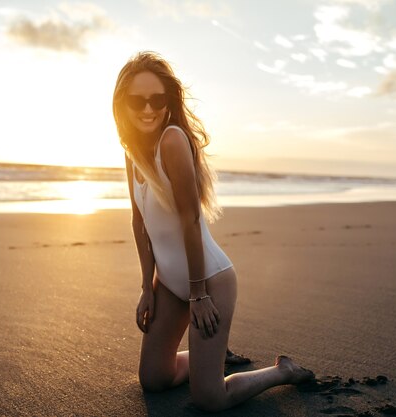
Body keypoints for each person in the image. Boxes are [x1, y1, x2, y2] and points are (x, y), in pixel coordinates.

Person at [112, 51, 314, 412]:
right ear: (123, 103)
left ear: (168, 101)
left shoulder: (171, 140)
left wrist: (198, 294)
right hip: (171, 286)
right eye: (137, 100)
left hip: (208, 281)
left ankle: (281, 371)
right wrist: (147, 287)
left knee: (210, 399)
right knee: (154, 379)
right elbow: (138, 223)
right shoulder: (131, 153)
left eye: (157, 99)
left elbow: (190, 220)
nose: (147, 108)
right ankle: (212, 354)